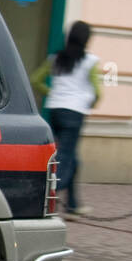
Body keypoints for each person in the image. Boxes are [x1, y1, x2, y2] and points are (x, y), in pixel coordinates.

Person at [31, 20, 102, 218]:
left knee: (70, 157)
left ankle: (72, 204)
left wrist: (50, 92)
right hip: (75, 112)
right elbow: (97, 91)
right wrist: (91, 103)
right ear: (87, 39)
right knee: (66, 158)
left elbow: (35, 79)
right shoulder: (91, 62)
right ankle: (45, 195)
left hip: (54, 110)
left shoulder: (55, 58)